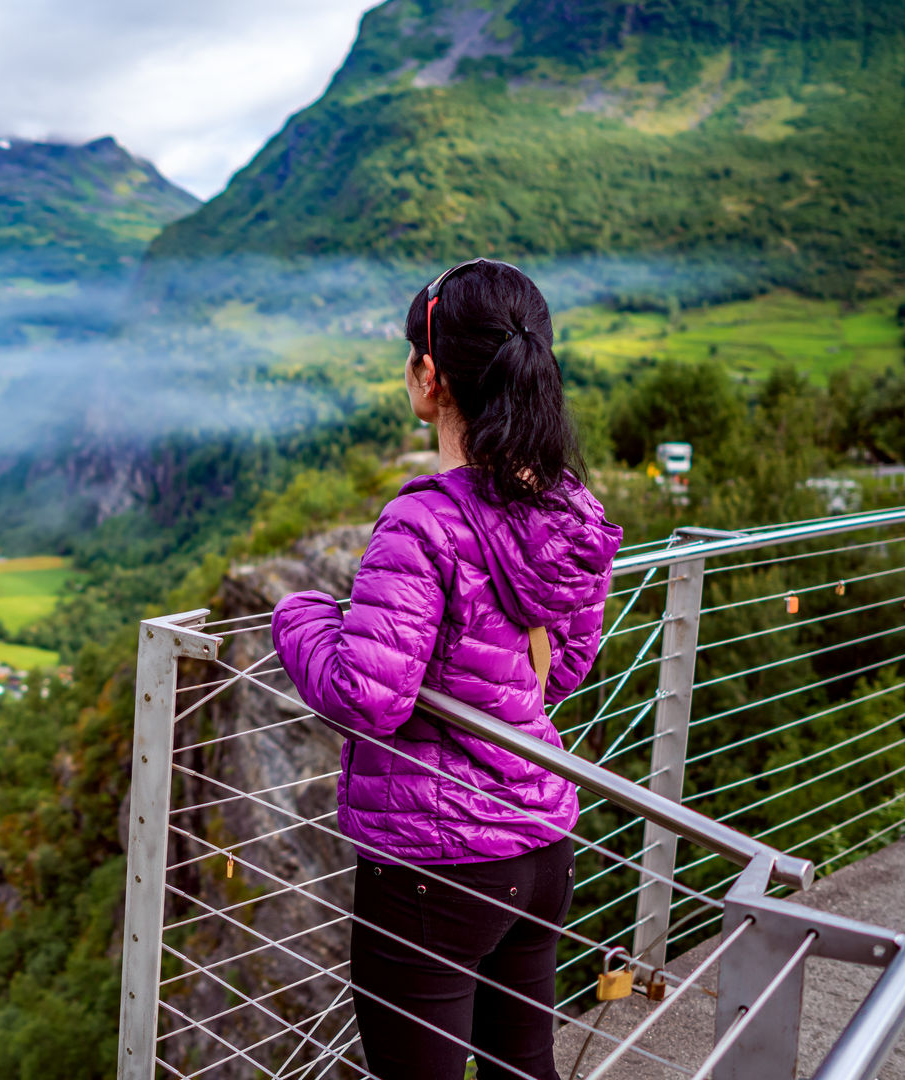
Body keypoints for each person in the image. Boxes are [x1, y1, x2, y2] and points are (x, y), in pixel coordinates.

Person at [272, 259, 622, 1080]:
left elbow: (368, 696)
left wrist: (303, 616)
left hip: (438, 868)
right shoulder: (569, 512)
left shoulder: (422, 521)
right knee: (522, 1068)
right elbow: (556, 675)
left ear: (428, 376)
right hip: (540, 845)